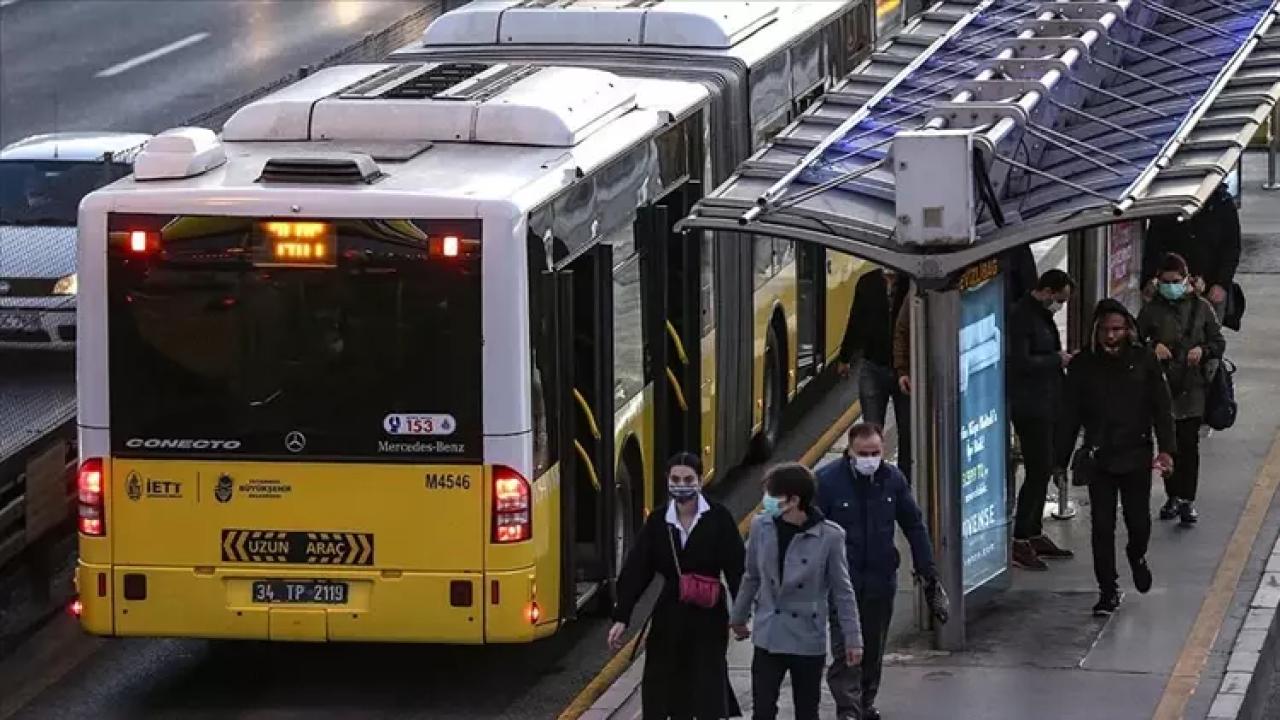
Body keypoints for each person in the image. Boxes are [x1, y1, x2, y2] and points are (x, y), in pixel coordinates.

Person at [1055, 299, 1176, 617]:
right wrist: (1060, 461)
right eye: (1106, 330)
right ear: (1096, 331)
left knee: (1138, 522)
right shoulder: (1083, 366)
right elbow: (1069, 415)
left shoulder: (1144, 360)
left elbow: (1162, 408)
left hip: (1135, 453)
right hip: (1100, 456)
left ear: (1128, 330)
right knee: (1101, 526)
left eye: (1118, 329)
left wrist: (1166, 450)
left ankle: (1137, 555)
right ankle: (1107, 589)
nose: (1111, 336)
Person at [817, 422, 946, 720]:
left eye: (875, 452)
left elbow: (913, 524)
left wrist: (927, 571)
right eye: (864, 453)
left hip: (880, 579)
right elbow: (813, 532)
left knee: (873, 648)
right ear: (849, 451)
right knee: (847, 646)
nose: (870, 458)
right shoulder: (827, 482)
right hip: (843, 583)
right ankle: (848, 710)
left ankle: (865, 702)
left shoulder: (892, 480)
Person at [610, 452, 745, 720]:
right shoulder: (659, 521)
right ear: (667, 481)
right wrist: (622, 617)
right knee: (665, 685)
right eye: (675, 479)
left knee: (707, 684)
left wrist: (741, 615)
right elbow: (638, 570)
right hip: (669, 615)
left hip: (709, 616)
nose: (681, 484)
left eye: (688, 478)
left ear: (699, 480)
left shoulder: (719, 518)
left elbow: (738, 570)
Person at [730, 462, 862, 720]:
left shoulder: (830, 537)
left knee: (806, 711)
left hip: (807, 638)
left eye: (772, 495)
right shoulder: (761, 527)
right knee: (763, 710)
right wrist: (738, 617)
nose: (766, 501)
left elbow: (843, 592)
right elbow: (752, 576)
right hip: (769, 635)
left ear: (793, 500)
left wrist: (853, 639)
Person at [1138, 253, 1226, 526]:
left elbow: (1218, 341)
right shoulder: (1152, 309)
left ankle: (1187, 499)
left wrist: (1204, 349)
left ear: (1186, 279)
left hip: (1192, 387)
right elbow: (1136, 340)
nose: (1170, 286)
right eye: (1165, 281)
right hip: (1162, 388)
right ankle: (1172, 495)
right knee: (1168, 445)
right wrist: (1153, 348)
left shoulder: (1202, 308)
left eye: (1175, 281)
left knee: (1189, 445)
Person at [1008, 269, 1077, 571]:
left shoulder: (1038, 315)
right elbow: (1020, 361)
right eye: (1059, 299)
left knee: (1044, 467)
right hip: (1029, 406)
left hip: (1045, 402)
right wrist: (1056, 360)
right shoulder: (1022, 317)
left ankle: (1033, 532)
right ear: (1047, 291)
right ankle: (1021, 537)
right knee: (1038, 469)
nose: (1059, 305)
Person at [836, 266, 912, 481]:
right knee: (871, 429)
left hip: (904, 371)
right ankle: (873, 479)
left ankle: (904, 481)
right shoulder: (867, 283)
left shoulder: (911, 283)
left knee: (907, 432)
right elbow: (856, 320)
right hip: (872, 366)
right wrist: (845, 356)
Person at [1143, 183, 1242, 321]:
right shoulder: (1169, 203)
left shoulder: (1221, 202)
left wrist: (1221, 283)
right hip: (1170, 286)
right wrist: (1149, 279)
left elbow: (1231, 248)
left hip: (1209, 286)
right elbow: (1153, 246)